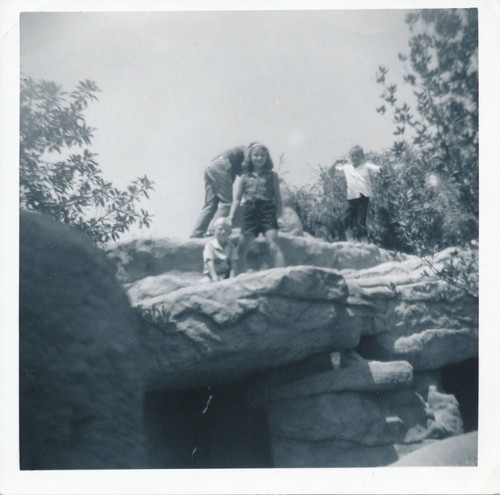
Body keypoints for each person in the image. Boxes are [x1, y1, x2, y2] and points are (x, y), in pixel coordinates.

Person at [228, 142, 285, 273]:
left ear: (267, 158)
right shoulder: (244, 177)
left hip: (267, 211)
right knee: (241, 248)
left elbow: (277, 197)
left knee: (273, 244)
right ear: (250, 157)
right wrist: (230, 216)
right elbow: (237, 199)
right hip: (250, 211)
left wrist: (279, 216)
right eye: (256, 155)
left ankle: (283, 275)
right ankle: (235, 279)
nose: (259, 158)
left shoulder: (272, 176)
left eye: (262, 155)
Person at [190, 145, 247, 238]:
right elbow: (247, 170)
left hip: (211, 167)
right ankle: (212, 230)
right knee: (227, 204)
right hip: (221, 165)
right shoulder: (248, 151)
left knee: (210, 205)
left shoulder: (234, 167)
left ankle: (196, 233)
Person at [330, 145, 380, 242]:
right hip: (352, 197)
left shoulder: (366, 166)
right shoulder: (346, 168)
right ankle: (350, 239)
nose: (354, 158)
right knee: (345, 218)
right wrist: (336, 163)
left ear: (362, 157)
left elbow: (380, 169)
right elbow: (331, 173)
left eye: (357, 156)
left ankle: (364, 242)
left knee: (361, 221)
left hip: (364, 196)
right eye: (352, 156)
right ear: (349, 157)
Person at [199, 217, 238, 283]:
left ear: (230, 233)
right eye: (220, 229)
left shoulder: (231, 247)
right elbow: (209, 262)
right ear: (214, 231)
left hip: (224, 276)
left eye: (226, 230)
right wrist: (215, 278)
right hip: (210, 276)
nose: (223, 232)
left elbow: (233, 265)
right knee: (205, 282)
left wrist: (232, 280)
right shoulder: (210, 245)